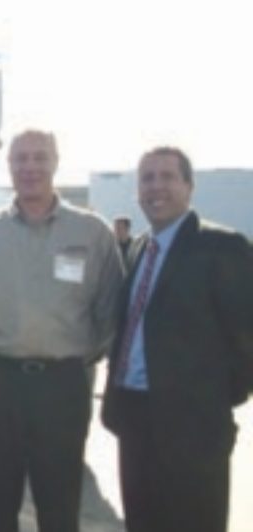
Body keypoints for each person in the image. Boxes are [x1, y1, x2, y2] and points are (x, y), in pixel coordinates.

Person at [0, 129, 123, 532]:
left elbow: (111, 311)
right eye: (21, 159)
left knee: (60, 506)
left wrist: (76, 357)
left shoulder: (92, 233)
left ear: (55, 162)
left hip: (62, 387)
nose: (30, 167)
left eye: (39, 157)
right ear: (9, 166)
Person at [101, 146, 253, 532]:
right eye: (147, 179)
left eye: (168, 177)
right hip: (134, 418)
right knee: (143, 521)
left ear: (189, 186)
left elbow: (245, 336)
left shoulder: (222, 247)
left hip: (193, 426)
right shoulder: (138, 248)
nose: (156, 187)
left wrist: (214, 401)